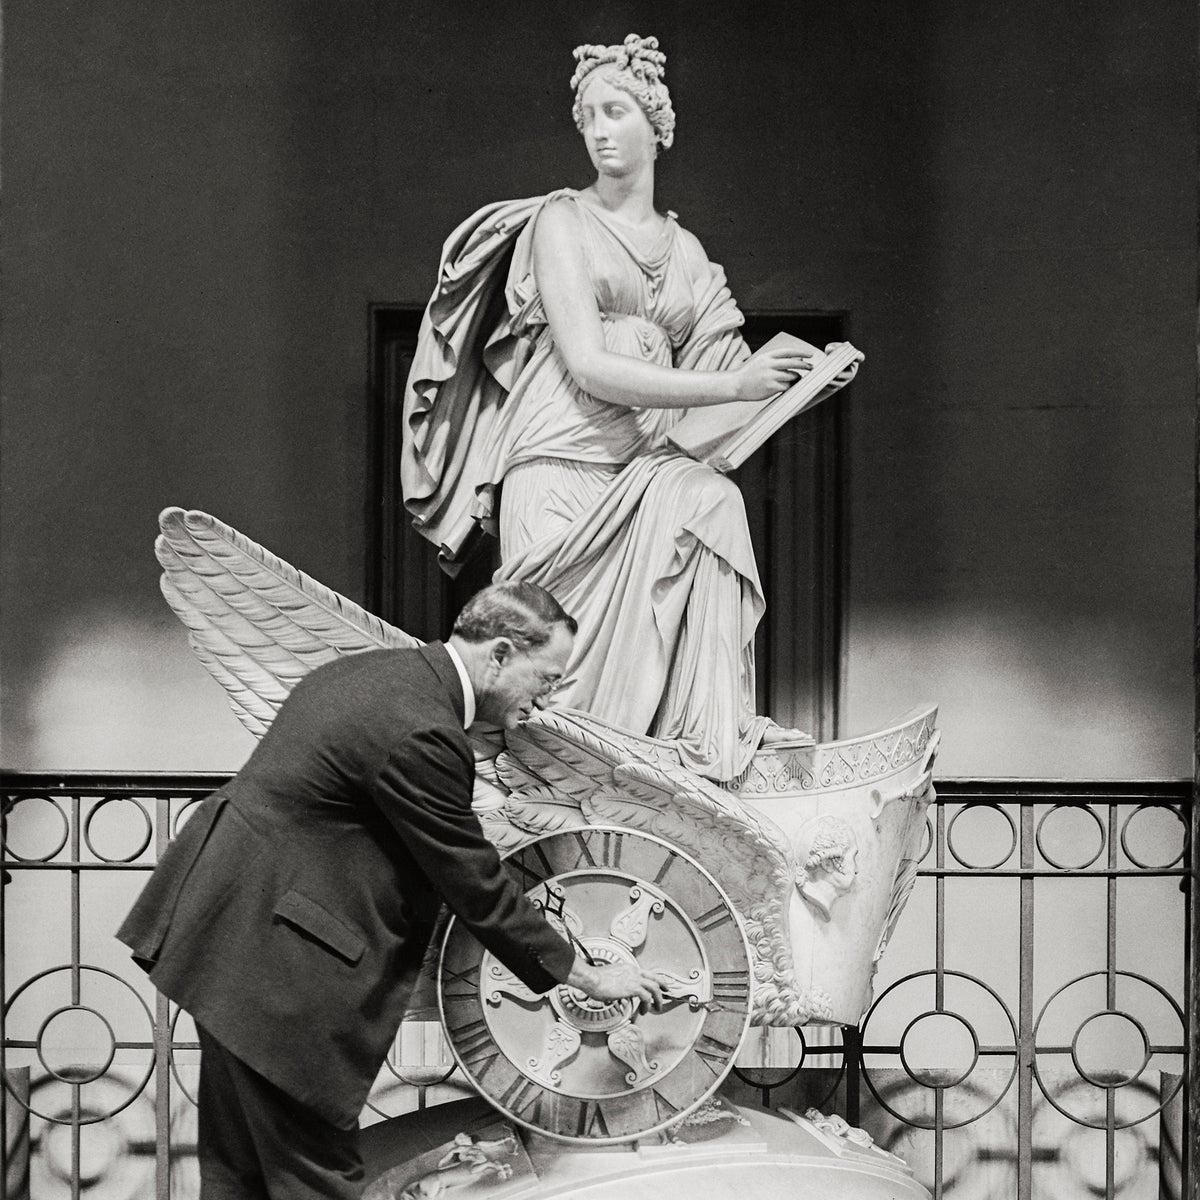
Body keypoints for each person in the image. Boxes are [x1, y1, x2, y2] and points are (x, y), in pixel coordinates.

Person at [117, 580, 666, 1200]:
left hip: (231, 941)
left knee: (238, 1172)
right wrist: (589, 975)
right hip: (279, 970)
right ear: (502, 653)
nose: (543, 703)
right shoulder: (424, 731)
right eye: (546, 679)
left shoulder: (372, 675)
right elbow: (473, 881)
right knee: (315, 1178)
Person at [403, 34, 855, 783]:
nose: (600, 130)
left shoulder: (689, 260)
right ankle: (556, 791)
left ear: (657, 125)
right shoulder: (561, 222)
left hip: (647, 465)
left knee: (710, 500)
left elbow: (705, 433)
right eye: (588, 117)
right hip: (558, 460)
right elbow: (589, 364)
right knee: (552, 657)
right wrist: (737, 385)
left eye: (616, 111)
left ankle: (711, 739)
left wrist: (790, 392)